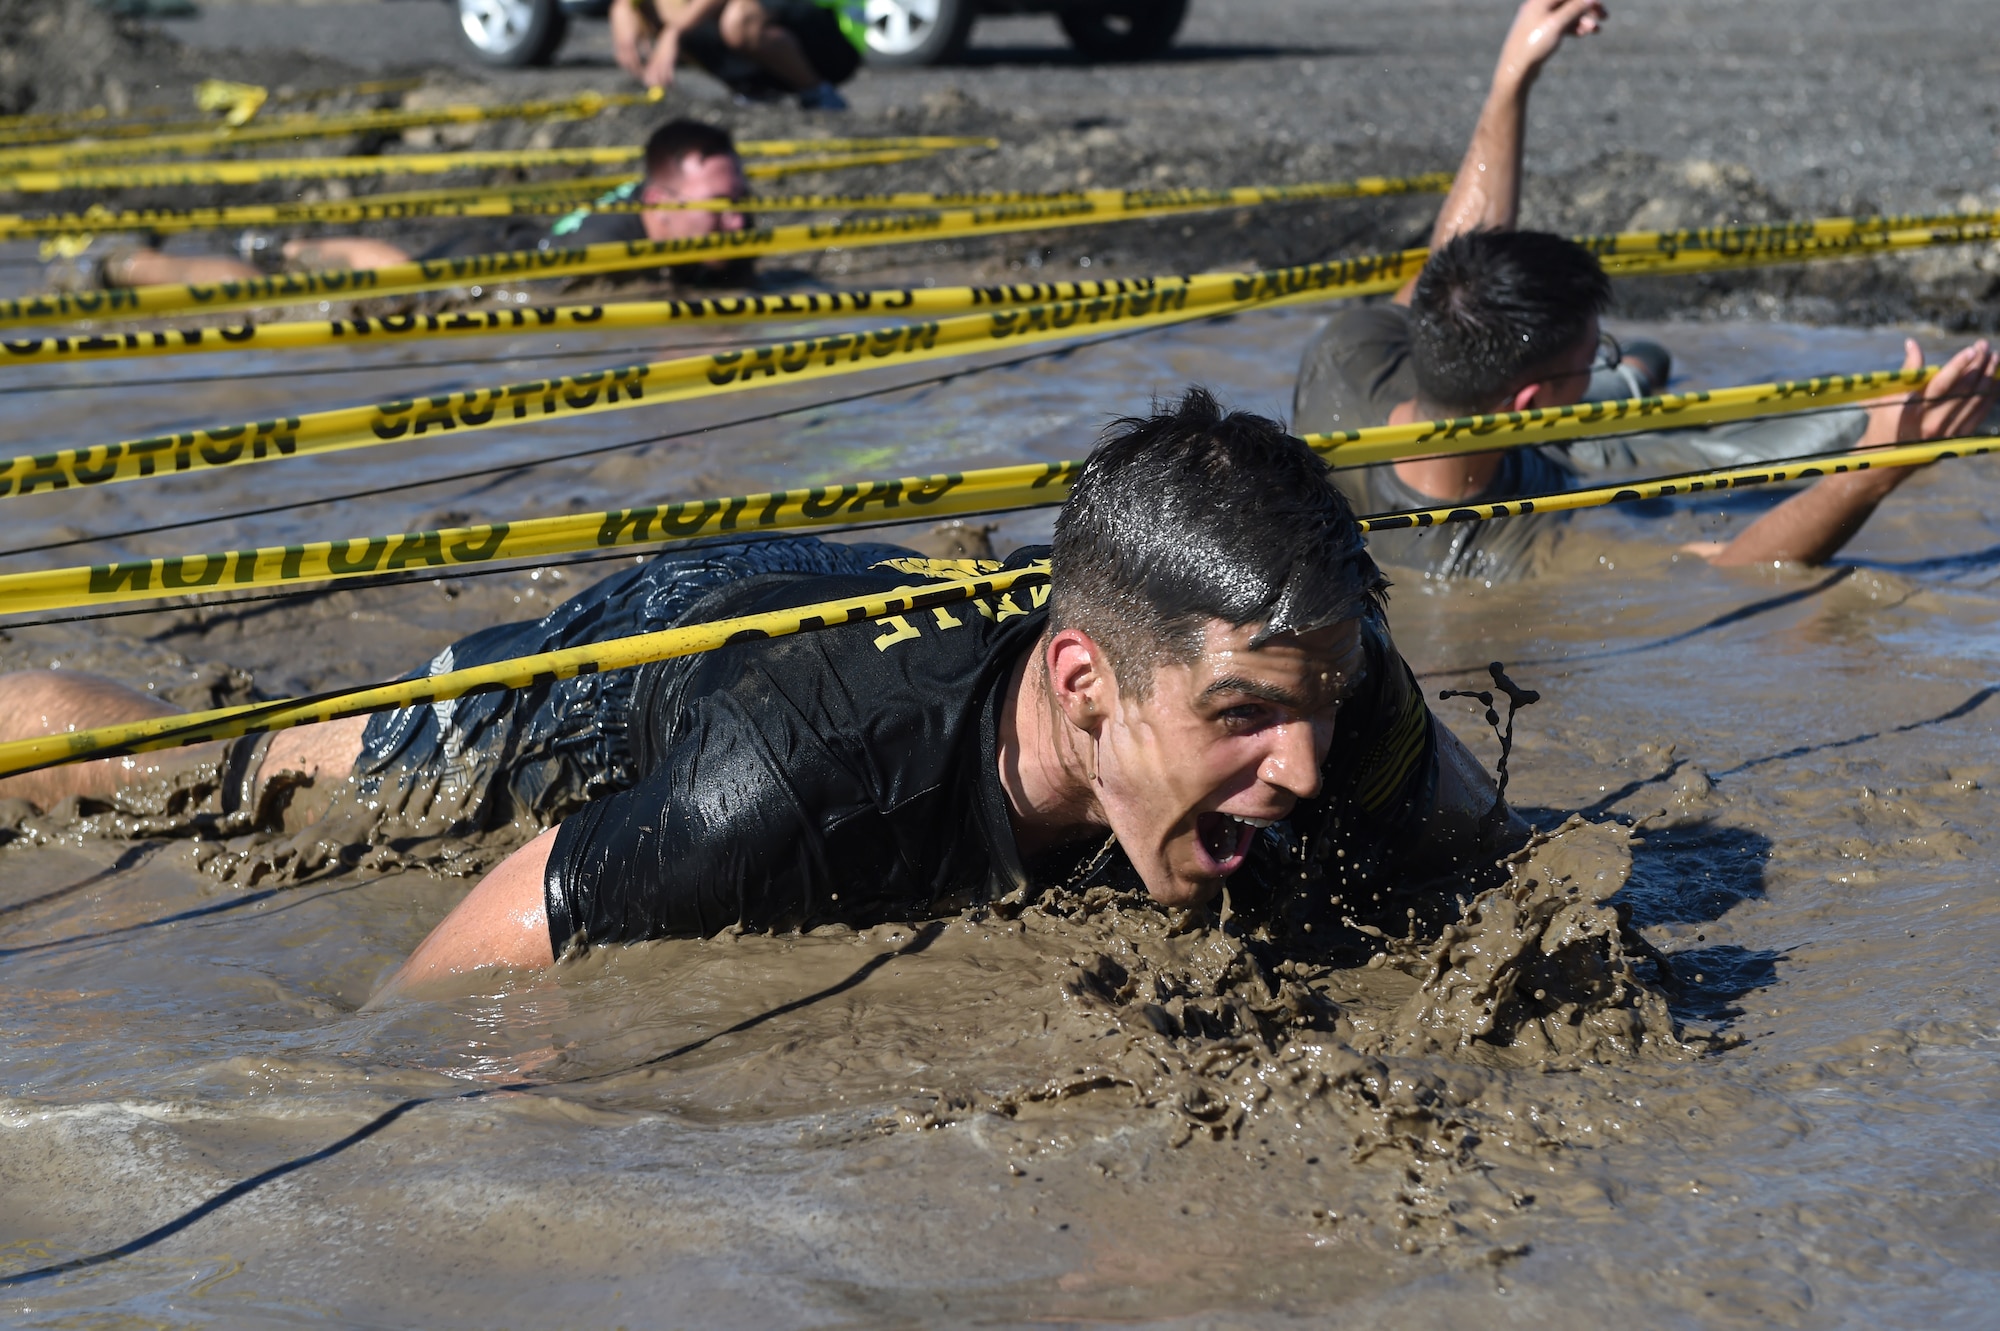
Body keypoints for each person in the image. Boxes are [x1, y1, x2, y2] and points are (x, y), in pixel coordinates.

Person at [0, 390, 1518, 994]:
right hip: (643, 663)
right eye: (1249, 715)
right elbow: (464, 961)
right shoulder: (790, 792)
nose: (1306, 765)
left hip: (869, 605)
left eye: (1313, 704)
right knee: (242, 779)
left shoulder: (1340, 680)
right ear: (1091, 686)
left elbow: (1489, 854)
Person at [1293, 0, 2000, 581]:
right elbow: (1729, 566)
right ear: (1530, 405)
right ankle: (1634, 380)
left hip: (1538, 429)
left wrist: (1514, 77)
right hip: (1572, 455)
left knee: (1648, 359)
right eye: (1591, 354)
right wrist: (1873, 469)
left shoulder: (1345, 356)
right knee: (1845, 426)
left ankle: (1628, 376)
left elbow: (1460, 260)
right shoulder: (1504, 553)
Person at [67, 119, 753, 290]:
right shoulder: (608, 250)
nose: (740, 222)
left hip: (501, 241)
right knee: (274, 298)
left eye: (742, 203)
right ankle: (128, 264)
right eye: (720, 206)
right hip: (476, 273)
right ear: (659, 200)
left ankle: (284, 248)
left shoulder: (676, 224)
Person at [612, 0, 859, 110]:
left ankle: (818, 93)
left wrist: (675, 31)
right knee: (652, 8)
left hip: (832, 41)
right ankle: (752, 88)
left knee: (740, 18)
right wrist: (625, 6)